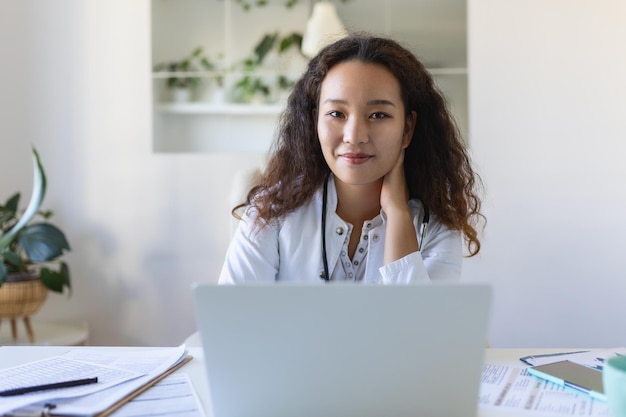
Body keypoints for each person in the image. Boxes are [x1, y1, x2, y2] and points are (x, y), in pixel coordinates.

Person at [219, 33, 483, 284]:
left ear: (407, 128)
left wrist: (399, 214)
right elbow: (229, 321)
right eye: (336, 114)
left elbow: (418, 329)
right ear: (314, 122)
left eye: (378, 115)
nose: (354, 136)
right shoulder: (271, 212)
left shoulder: (436, 227)